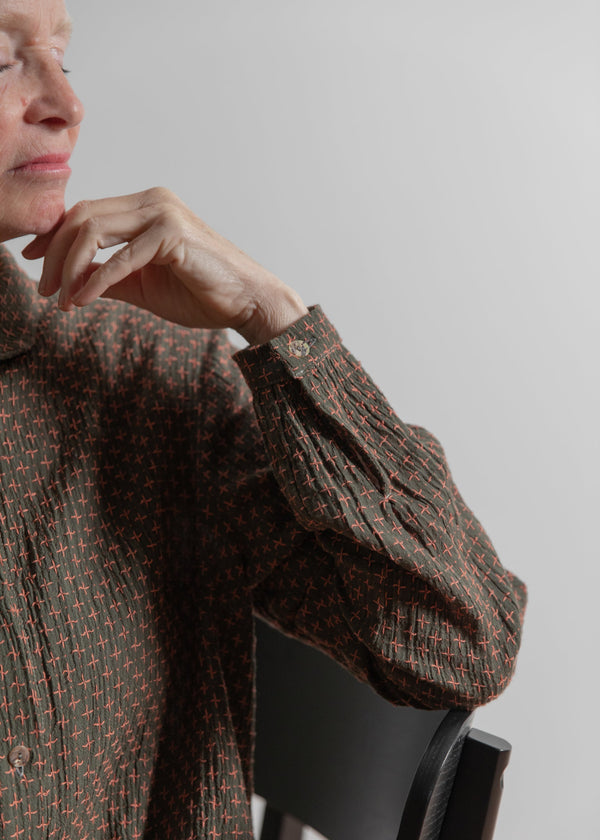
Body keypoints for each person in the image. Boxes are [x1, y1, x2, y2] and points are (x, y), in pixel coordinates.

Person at [0, 1, 527, 837]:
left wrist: (274, 320)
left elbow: (457, 643)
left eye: (63, 57)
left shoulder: (145, 382)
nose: (67, 101)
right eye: (2, 59)